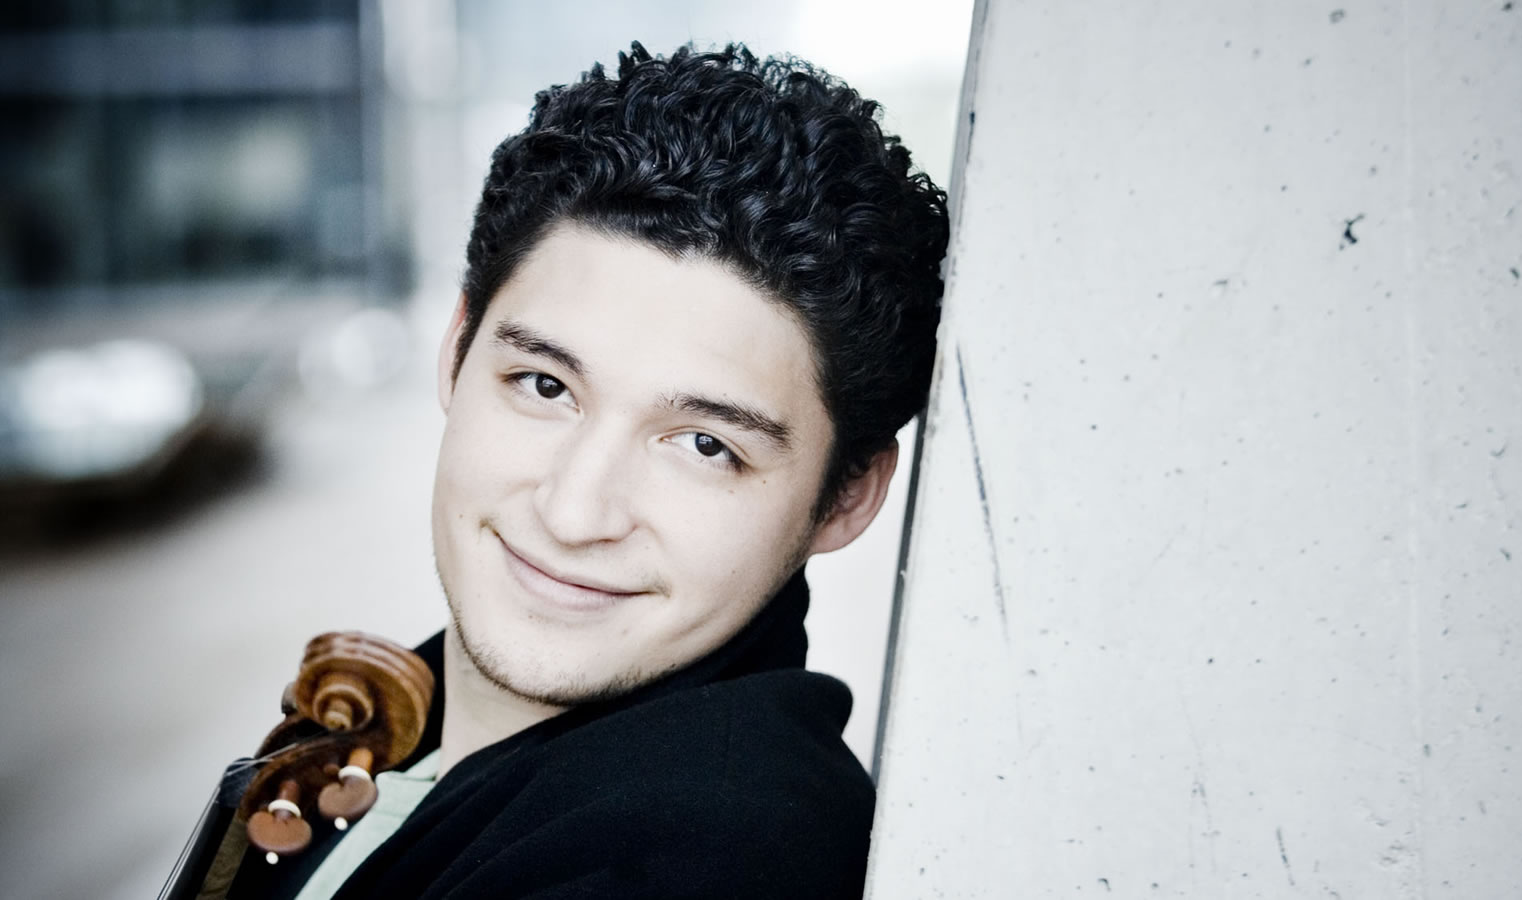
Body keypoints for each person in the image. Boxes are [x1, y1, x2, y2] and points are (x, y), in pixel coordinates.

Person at [181, 40, 948, 899]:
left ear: (847, 497)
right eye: (545, 385)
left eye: (705, 444)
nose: (574, 512)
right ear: (458, 349)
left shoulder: (705, 862)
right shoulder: (391, 731)